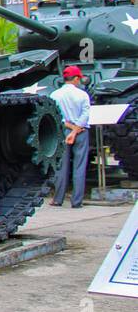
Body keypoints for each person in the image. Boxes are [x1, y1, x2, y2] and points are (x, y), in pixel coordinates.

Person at [50, 65, 91, 208]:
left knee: (61, 166)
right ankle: (76, 201)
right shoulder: (82, 94)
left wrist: (70, 129)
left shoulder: (55, 94)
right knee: (79, 166)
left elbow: (56, 116)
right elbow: (85, 114)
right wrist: (76, 130)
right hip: (81, 132)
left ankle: (58, 199)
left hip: (62, 131)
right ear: (75, 78)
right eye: (78, 78)